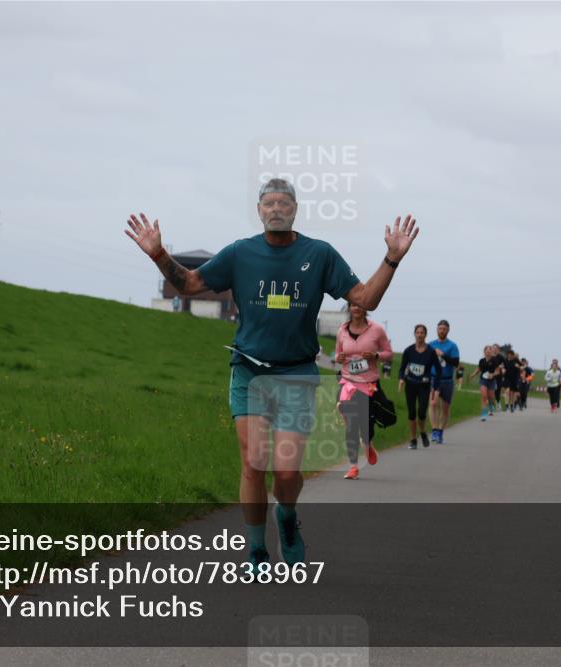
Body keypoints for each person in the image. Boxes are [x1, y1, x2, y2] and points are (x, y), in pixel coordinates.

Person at [125, 178, 418, 573]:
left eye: (284, 203)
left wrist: (392, 259)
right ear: (259, 210)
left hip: (296, 374)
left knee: (286, 472)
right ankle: (256, 552)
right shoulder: (240, 253)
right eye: (269, 203)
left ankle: (287, 514)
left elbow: (365, 298)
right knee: (253, 463)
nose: (276, 209)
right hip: (249, 371)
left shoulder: (319, 254)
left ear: (295, 210)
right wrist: (159, 254)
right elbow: (191, 284)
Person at [335, 304, 392, 480]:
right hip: (349, 383)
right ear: (349, 308)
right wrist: (339, 358)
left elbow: (389, 353)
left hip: (369, 384)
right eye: (353, 304)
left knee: (367, 426)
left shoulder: (377, 330)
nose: (356, 308)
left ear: (365, 308)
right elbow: (337, 355)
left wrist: (376, 356)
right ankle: (353, 466)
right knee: (351, 425)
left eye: (360, 305)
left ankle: (367, 443)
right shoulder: (342, 330)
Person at [398, 324, 442, 450]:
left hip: (424, 386)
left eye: (422, 333)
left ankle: (422, 431)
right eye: (417, 332)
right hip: (410, 385)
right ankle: (413, 440)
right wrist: (401, 379)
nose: (419, 335)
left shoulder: (431, 352)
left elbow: (439, 370)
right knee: (412, 413)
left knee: (421, 413)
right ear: (414, 334)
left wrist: (435, 387)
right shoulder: (408, 351)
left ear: (425, 335)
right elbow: (402, 369)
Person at [427, 320, 460, 444]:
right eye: (440, 328)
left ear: (448, 330)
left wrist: (443, 355)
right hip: (433, 378)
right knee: (433, 403)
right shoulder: (431, 345)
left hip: (447, 380)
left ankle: (440, 432)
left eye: (444, 329)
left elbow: (456, 363)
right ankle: (434, 430)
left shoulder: (452, 346)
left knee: (445, 409)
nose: (442, 331)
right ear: (437, 330)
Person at [468, 345, 500, 421]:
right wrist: (473, 375)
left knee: (491, 397)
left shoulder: (494, 360)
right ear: (484, 352)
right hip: (483, 380)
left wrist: (492, 374)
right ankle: (483, 414)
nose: (488, 352)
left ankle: (491, 406)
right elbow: (479, 369)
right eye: (487, 351)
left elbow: (498, 371)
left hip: (491, 381)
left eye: (489, 351)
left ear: (491, 352)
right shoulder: (481, 361)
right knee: (484, 396)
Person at [502, 349, 522, 414]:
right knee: (507, 391)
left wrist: (519, 366)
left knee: (512, 393)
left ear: (513, 355)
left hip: (514, 378)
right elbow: (503, 367)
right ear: (507, 355)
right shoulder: (505, 360)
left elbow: (522, 366)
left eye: (511, 354)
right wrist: (503, 369)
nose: (510, 355)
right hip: (507, 378)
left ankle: (512, 405)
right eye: (508, 354)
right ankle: (506, 405)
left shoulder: (516, 360)